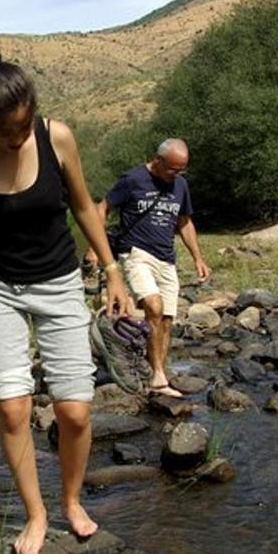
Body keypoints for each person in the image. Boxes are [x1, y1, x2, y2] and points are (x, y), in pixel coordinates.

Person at [0, 42, 130, 554]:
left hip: (60, 282)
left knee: (76, 410)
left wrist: (113, 272)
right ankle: (36, 513)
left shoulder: (57, 136)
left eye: (25, 127)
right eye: (7, 132)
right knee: (14, 408)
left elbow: (85, 207)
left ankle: (70, 500)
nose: (19, 138)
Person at [96, 139, 211, 397]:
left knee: (167, 320)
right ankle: (158, 377)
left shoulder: (180, 185)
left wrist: (198, 258)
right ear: (157, 161)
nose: (177, 175)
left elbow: (184, 222)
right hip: (136, 253)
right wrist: (95, 247)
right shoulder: (133, 179)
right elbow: (102, 208)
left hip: (167, 259)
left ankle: (157, 373)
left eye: (182, 170)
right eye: (172, 169)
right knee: (153, 306)